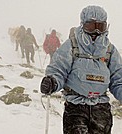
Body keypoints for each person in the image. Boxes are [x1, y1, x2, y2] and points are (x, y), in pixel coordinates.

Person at [40, 5, 122, 134]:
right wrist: (53, 81)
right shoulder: (72, 45)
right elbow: (59, 69)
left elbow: (118, 79)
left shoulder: (109, 50)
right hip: (76, 107)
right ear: (83, 25)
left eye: (100, 27)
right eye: (91, 26)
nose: (96, 32)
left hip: (100, 108)